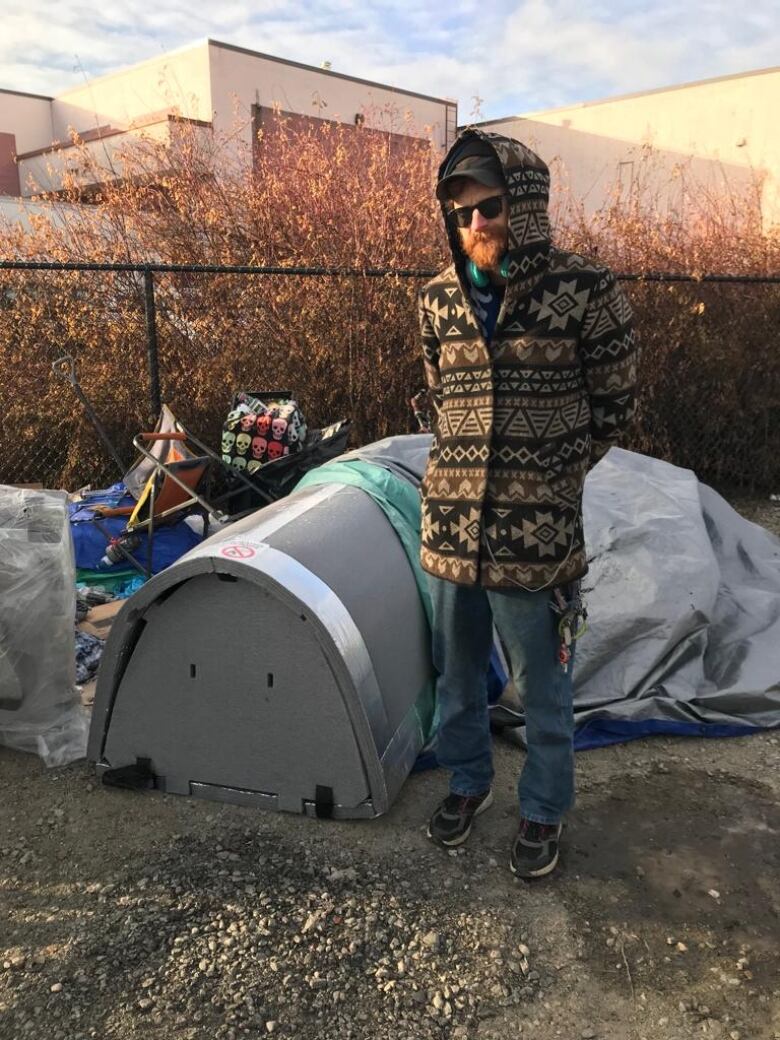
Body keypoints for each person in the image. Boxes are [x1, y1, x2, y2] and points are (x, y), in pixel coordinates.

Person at [418, 130, 638, 878]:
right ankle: (468, 781)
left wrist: (551, 479)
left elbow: (616, 402)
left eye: (489, 205)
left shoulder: (585, 288)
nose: (475, 224)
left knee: (542, 680)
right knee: (456, 674)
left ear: (526, 205)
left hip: (535, 538)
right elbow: (443, 400)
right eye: (461, 212)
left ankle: (543, 807)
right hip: (451, 530)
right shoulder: (438, 299)